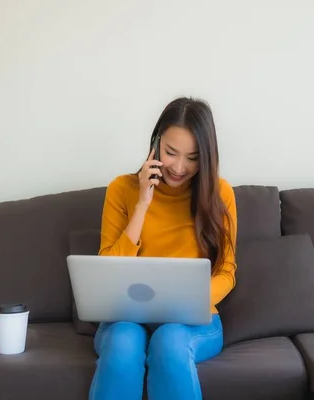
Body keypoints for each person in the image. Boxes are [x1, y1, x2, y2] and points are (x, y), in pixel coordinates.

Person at [89, 97, 238, 400]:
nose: (180, 168)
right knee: (123, 341)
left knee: (169, 341)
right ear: (156, 143)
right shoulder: (121, 190)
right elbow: (108, 268)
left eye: (193, 158)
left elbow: (227, 270)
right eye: (171, 153)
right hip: (126, 319)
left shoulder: (220, 194)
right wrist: (143, 203)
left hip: (192, 322)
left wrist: (189, 304)